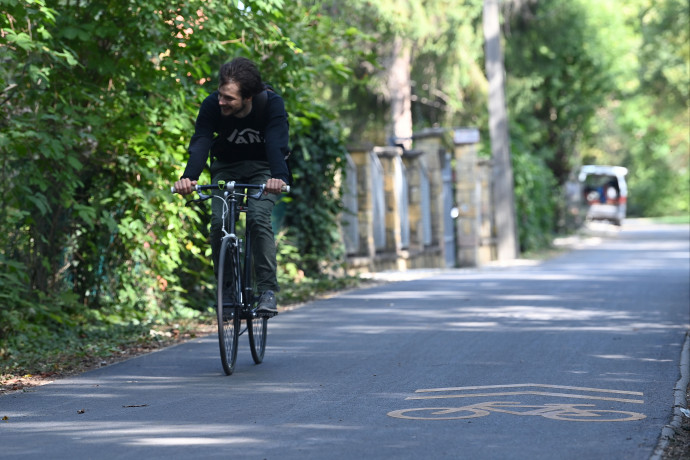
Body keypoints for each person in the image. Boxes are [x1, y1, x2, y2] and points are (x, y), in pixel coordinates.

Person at [174, 57, 290, 315]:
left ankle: (267, 290)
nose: (221, 102)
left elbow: (275, 144)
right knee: (220, 222)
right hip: (227, 167)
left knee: (258, 219)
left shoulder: (271, 105)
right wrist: (189, 177)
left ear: (248, 97)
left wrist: (279, 178)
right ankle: (226, 289)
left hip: (264, 168)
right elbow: (202, 141)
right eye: (220, 94)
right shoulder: (212, 105)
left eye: (229, 98)